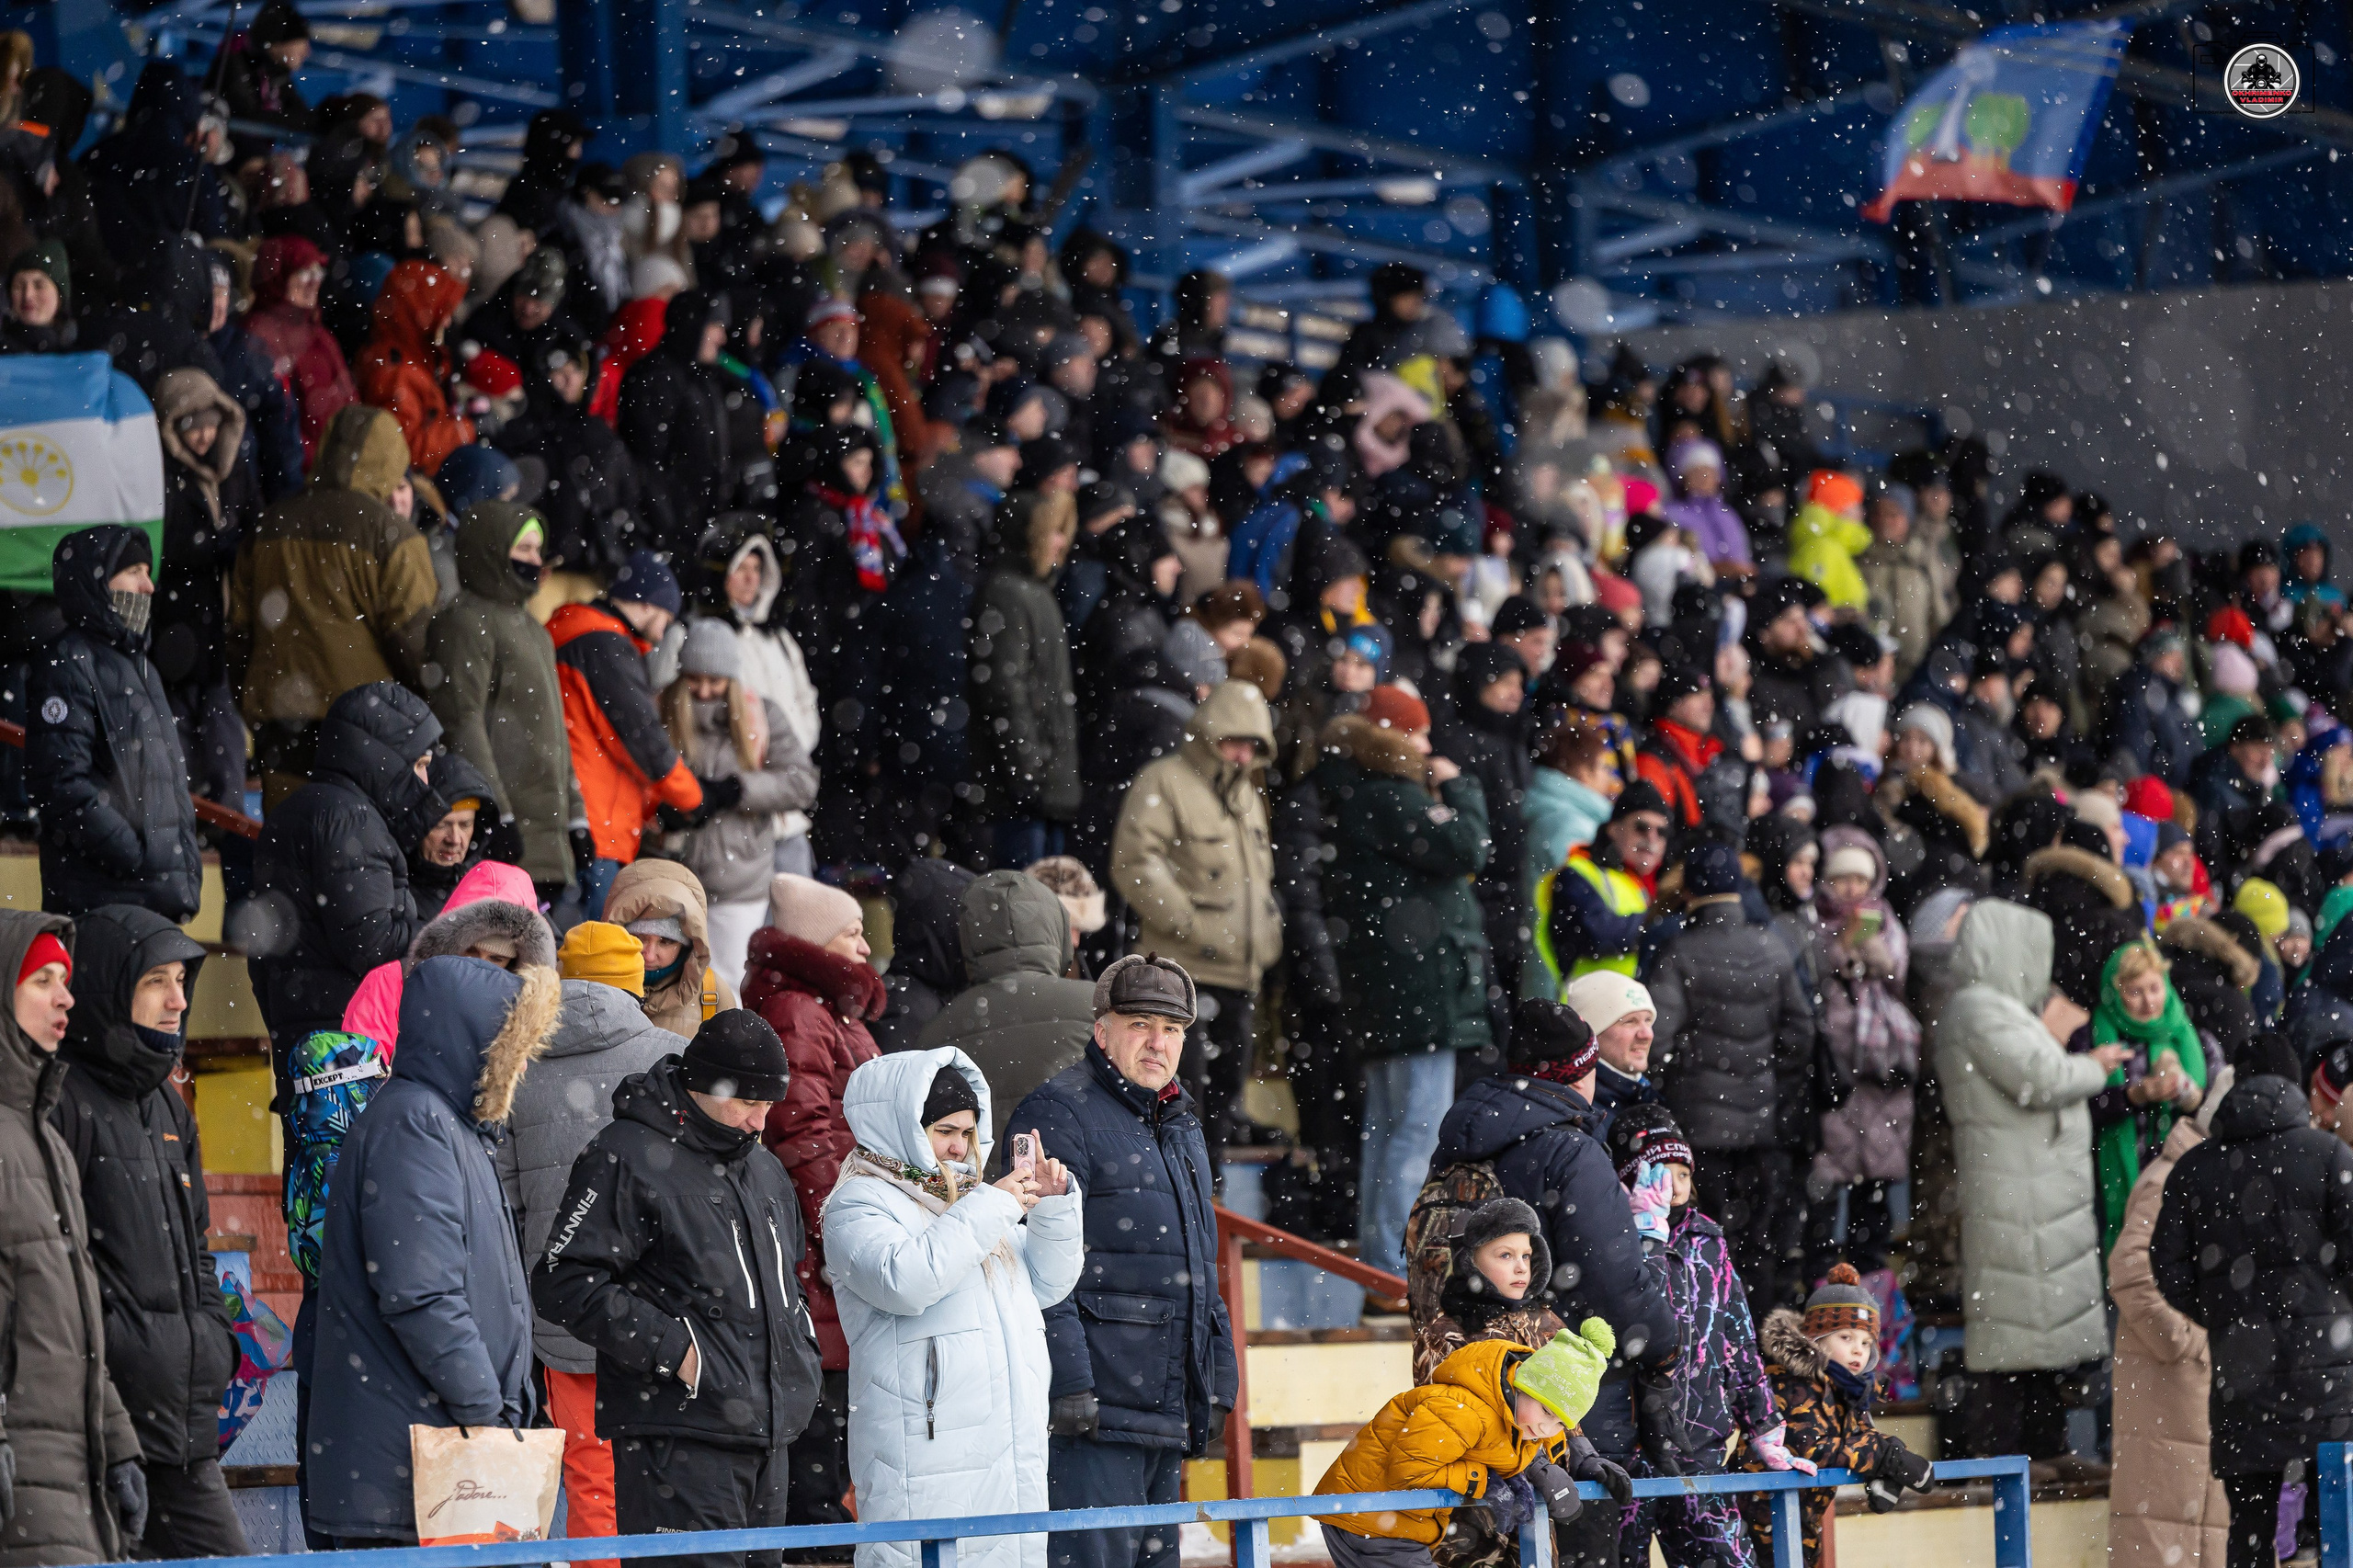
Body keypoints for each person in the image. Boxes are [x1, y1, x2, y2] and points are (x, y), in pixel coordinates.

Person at [534, 1010, 826, 1568]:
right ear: (701, 1086)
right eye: (747, 1103)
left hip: (766, 1433)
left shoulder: (761, 1167)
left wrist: (800, 1351)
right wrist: (675, 1352)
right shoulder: (625, 1154)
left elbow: (787, 1279)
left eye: (768, 1106)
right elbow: (562, 1280)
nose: (759, 1123)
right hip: (677, 1435)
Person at [305, 949, 563, 1544]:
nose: (518, 1064)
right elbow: (422, 1294)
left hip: (430, 1461)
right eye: (508, 1047)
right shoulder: (415, 1125)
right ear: (472, 1041)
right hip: (416, 1469)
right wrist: (489, 1415)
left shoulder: (449, 1126)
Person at [1425, 998, 1681, 1566]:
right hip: (1566, 1399)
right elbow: (1617, 1284)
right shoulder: (1570, 1151)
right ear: (1576, 1075)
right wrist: (1663, 1350)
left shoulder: (1456, 1150)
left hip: (1469, 1396)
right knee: (1582, 1549)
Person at [1001, 954, 1237, 1568]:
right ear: (1102, 1030)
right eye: (1140, 1025)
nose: (1158, 1043)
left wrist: (1216, 1377)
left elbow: (1199, 1265)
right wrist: (1071, 1382)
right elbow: (1034, 1261)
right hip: (1096, 1415)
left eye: (1173, 1030)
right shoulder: (1055, 1112)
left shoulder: (1182, 1123)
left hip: (1163, 1409)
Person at [825, 1051, 1086, 1568]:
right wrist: (994, 1204)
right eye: (945, 1130)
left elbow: (1046, 1282)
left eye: (968, 1133)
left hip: (1006, 1447)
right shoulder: (858, 1203)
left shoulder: (968, 1201)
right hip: (927, 1451)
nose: (958, 1147)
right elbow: (905, 1281)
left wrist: (1053, 1207)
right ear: (901, 1126)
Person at [50, 907, 242, 1558]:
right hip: (102, 1434)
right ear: (111, 987)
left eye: (181, 982)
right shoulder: (62, 1101)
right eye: (156, 981)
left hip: (183, 1433)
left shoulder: (165, 1102)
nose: (177, 1001)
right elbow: (56, 1266)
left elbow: (198, 1247)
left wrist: (217, 1343)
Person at [494, 921, 675, 1565]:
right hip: (667, 1312)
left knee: (592, 1478)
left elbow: (508, 1201)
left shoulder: (517, 1067)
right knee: (673, 1477)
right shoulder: (673, 1057)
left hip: (565, 1315)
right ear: (634, 982)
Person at [1936, 899, 2118, 1461]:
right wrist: (2096, 1063)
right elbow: (2040, 1079)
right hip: (2015, 1192)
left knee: (2039, 1328)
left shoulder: (1997, 1009)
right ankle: (2010, 1457)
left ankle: (2044, 1446)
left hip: (2032, 1192)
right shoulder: (1977, 1008)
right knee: (2014, 1330)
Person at [1315, 692, 1492, 1274]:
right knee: (1413, 1138)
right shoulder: (1391, 796)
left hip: (1393, 997)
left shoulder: (1361, 796)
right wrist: (1460, 789)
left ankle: (1380, 1265)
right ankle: (1392, 1270)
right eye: (1418, 737)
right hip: (1421, 998)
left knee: (1389, 1137)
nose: (1427, 749)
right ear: (1393, 736)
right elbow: (1468, 846)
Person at [2153, 1066, 2353, 1568]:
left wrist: (2219, 1314)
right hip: (2328, 1381)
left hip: (2243, 1377)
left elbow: (2167, 1266)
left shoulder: (2194, 1169)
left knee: (2249, 1527)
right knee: (2337, 1527)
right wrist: (2334, 1311)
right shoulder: (2330, 1156)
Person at [0, 911, 148, 1567]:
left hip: (73, 1478)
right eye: (43, 980)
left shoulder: (49, 1143)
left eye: (66, 979)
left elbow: (72, 1321)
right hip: (23, 1484)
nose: (66, 997)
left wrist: (117, 1445)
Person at [744, 874, 883, 1537]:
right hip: (819, 1235)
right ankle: (815, 1536)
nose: (865, 944)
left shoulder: (826, 1007)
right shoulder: (800, 1008)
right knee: (824, 1387)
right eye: (851, 931)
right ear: (814, 939)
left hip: (836, 1222)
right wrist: (843, 1223)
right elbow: (803, 1131)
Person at [1606, 1105, 1790, 1568]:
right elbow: (1629, 1317)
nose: (1672, 1186)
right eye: (1658, 1173)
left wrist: (1763, 1424)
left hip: (1699, 1443)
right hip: (1627, 1451)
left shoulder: (1710, 1243)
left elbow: (1738, 1342)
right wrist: (1645, 1239)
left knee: (1726, 1558)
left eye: (1681, 1174)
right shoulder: (1610, 1239)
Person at [232, 404, 438, 805]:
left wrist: (253, 703)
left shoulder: (271, 524)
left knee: (293, 846)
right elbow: (414, 642)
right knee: (361, 851)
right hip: (367, 723)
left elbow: (239, 634)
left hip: (281, 720)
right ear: (393, 459)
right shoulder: (393, 534)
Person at [1109, 679, 1282, 1155]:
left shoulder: (1248, 796)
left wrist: (1266, 937)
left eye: (1252, 745)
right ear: (1208, 735)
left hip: (1239, 976)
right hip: (1180, 975)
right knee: (1179, 1103)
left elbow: (1260, 880)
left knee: (1222, 1109)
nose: (1242, 755)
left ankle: (1212, 1202)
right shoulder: (1164, 781)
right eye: (1233, 741)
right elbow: (1135, 862)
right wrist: (1189, 924)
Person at [1646, 840, 1815, 1310]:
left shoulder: (1680, 953)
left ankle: (1708, 1351)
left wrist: (1676, 1085)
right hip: (1762, 1131)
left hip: (1699, 1132)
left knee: (1701, 1245)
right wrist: (1766, 1083)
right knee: (1757, 1247)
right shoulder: (1773, 948)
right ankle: (1752, 1352)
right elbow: (1800, 1033)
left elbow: (1656, 1040)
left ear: (1691, 891)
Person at [247, 682, 447, 1070]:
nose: (425, 783)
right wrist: (437, 932)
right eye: (419, 765)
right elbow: (373, 946)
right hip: (351, 1044)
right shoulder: (351, 819)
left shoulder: (304, 809)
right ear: (384, 760)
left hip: (309, 1034)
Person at [1312, 1328, 1612, 1568]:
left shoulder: (1514, 1420)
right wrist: (1481, 1481)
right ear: (1522, 1385)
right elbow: (1407, 1471)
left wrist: (1545, 1470)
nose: (1548, 1429)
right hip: (1368, 1517)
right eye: (1547, 1412)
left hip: (1394, 1522)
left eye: (1561, 1422)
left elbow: (1510, 1455)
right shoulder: (1462, 1411)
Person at [28, 526, 202, 924]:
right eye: (134, 572)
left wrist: (181, 864)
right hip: (104, 904)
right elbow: (60, 783)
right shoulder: (67, 663)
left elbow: (168, 786)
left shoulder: (142, 667)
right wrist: (137, 855)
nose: (149, 587)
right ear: (97, 583)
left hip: (153, 902)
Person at [426, 500, 583, 901]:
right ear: (492, 550)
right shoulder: (464, 620)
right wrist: (497, 814)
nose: (536, 559)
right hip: (509, 834)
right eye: (524, 549)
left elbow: (555, 736)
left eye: (538, 549)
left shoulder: (533, 628)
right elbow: (462, 719)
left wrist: (576, 820)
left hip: (546, 837)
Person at [2107, 1066, 2231, 1568]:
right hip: (2167, 1389)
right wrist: (2189, 1343)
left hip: (2194, 1396)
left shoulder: (2215, 1174)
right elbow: (2129, 1271)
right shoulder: (2172, 1176)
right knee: (2161, 1540)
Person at [1737, 1267, 1935, 1566]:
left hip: (1799, 1525)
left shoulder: (1849, 1389)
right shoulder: (1793, 1383)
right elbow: (1811, 1450)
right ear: (1817, 1339)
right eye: (1846, 1337)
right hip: (1756, 1526)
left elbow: (1859, 1439)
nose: (1858, 1349)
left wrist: (1886, 1467)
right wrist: (1886, 1457)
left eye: (1866, 1342)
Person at [657, 624, 819, 987]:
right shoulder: (660, 710)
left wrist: (736, 790)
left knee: (725, 985)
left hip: (738, 878)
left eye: (715, 681)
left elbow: (801, 782)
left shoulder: (762, 715)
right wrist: (660, 812)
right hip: (671, 873)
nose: (703, 691)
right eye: (694, 679)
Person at [549, 551, 705, 917]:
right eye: (667, 616)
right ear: (650, 605)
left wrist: (652, 804)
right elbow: (641, 740)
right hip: (595, 828)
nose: (666, 630)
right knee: (595, 959)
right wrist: (693, 798)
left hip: (571, 817)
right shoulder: (604, 645)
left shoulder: (574, 632)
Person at [1805, 831, 1920, 1277]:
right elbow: (1817, 978)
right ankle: (1822, 1284)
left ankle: (1870, 1290)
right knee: (1828, 1188)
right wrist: (1840, 952)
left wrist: (1873, 956)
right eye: (1841, 880)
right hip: (1840, 1076)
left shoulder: (1887, 920)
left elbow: (1899, 975)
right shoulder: (1814, 924)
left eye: (1859, 879)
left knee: (1873, 1196)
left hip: (1882, 1075)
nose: (1851, 889)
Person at [918, 871, 1097, 1142]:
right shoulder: (1096, 1004)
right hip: (1075, 1176)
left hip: (978, 1181)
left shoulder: (936, 1032)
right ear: (1055, 928)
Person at [971, 488, 1084, 868]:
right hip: (1024, 792)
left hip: (1041, 786)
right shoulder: (1008, 593)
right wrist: (1027, 771)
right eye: (1052, 531)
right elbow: (1005, 690)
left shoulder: (1035, 593)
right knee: (1024, 906)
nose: (1061, 542)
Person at [605, 858, 739, 1038]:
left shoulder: (712, 994)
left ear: (689, 944)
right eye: (638, 938)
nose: (649, 955)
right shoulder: (583, 982)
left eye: (665, 941)